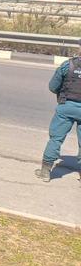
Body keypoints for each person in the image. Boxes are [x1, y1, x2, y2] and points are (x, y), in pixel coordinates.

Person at [36, 40, 81, 183]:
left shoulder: (68, 65)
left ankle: (45, 171)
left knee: (56, 139)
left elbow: (53, 86)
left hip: (66, 107)